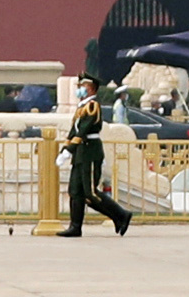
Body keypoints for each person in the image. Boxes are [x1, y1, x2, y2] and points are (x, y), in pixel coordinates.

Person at [53, 76, 132, 238]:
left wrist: (71, 148)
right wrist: (66, 149)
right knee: (75, 191)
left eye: (84, 86)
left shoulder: (92, 106)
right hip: (80, 152)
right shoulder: (82, 107)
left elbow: (84, 129)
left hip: (90, 151)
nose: (80, 89)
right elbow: (74, 131)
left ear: (92, 89)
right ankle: (75, 226)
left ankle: (121, 214)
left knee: (91, 193)